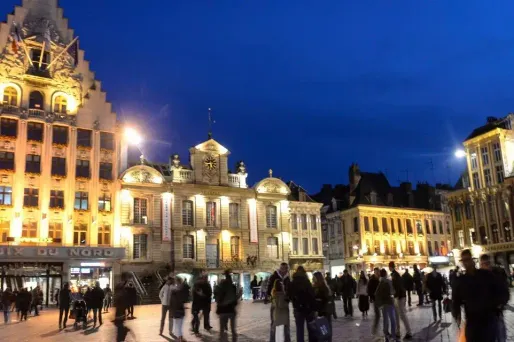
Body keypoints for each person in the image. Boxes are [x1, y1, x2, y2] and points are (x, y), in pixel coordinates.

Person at [452, 249, 509, 341]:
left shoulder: (486, 275)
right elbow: (456, 300)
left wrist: (498, 305)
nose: (466, 263)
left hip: (489, 320)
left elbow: (502, 290)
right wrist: (457, 314)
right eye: (464, 261)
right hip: (472, 322)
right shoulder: (461, 281)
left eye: (468, 260)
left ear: (472, 260)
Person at [479, 253, 510, 342]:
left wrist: (501, 303)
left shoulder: (497, 274)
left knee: (501, 336)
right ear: (481, 265)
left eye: (488, 263)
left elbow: (505, 290)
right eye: (484, 264)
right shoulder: (478, 277)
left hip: (496, 312)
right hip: (484, 314)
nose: (486, 266)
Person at [289, 266, 316, 342]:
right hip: (308, 308)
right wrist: (314, 308)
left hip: (297, 308)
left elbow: (290, 295)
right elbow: (311, 295)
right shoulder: (306, 282)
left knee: (299, 329)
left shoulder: (293, 282)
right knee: (311, 328)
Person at [266, 262, 291, 342]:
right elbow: (269, 288)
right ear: (280, 268)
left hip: (284, 303)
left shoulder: (287, 278)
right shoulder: (274, 276)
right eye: (283, 268)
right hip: (276, 303)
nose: (285, 270)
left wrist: (288, 297)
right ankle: (272, 340)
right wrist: (270, 296)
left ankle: (287, 339)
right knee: (274, 323)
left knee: (286, 323)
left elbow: (289, 290)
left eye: (286, 269)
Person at [388, 262, 412, 340]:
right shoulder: (395, 275)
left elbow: (397, 287)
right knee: (397, 315)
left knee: (402, 315)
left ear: (390, 267)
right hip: (400, 296)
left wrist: (396, 296)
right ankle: (397, 332)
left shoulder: (395, 275)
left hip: (399, 297)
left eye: (389, 267)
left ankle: (409, 332)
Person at [216, 270, 239, 342]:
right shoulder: (232, 287)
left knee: (222, 330)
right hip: (231, 310)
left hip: (222, 311)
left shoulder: (220, 288)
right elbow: (235, 299)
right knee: (233, 330)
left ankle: (222, 339)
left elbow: (217, 300)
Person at [375, 269, 397, 342]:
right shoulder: (388, 281)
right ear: (385, 274)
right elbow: (393, 291)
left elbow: (376, 293)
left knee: (385, 320)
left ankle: (386, 335)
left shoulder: (380, 282)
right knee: (393, 319)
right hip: (389, 302)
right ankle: (393, 335)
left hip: (383, 304)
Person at [312, 271, 333, 342]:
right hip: (321, 310)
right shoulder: (315, 287)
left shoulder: (323, 287)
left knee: (325, 328)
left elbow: (325, 299)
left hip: (324, 311)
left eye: (314, 277)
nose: (313, 279)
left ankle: (327, 340)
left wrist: (318, 300)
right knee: (322, 328)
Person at [114, 272, 131, 342]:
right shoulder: (121, 287)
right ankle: (122, 334)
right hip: (120, 309)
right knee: (119, 326)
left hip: (120, 309)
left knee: (119, 326)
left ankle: (122, 335)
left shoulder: (120, 287)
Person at [170, 277, 188, 342]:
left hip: (176, 311)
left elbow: (172, 303)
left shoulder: (174, 292)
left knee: (177, 326)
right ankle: (180, 338)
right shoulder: (180, 291)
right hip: (180, 311)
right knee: (179, 326)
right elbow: (183, 300)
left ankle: (179, 338)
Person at [367, 267, 381, 336]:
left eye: (378, 272)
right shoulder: (372, 280)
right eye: (377, 272)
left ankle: (376, 330)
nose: (378, 273)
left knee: (379, 315)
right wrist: (372, 297)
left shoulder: (379, 279)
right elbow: (369, 290)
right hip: (375, 299)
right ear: (374, 272)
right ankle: (374, 330)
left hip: (380, 299)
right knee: (378, 315)